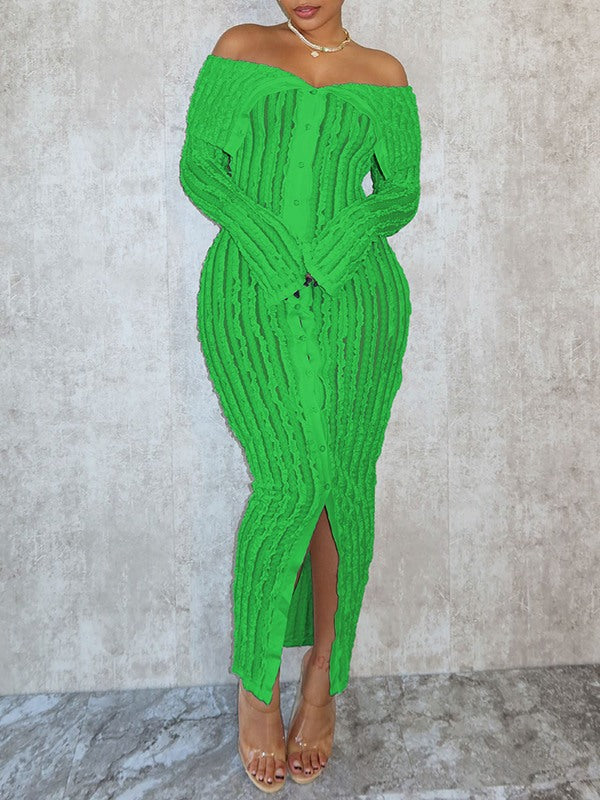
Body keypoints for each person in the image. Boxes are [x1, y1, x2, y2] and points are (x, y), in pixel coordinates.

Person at [179, 0, 422, 790]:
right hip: (252, 293)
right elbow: (201, 166)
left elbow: (399, 193)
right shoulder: (241, 46)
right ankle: (258, 689)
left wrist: (338, 247)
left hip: (358, 303)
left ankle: (322, 679)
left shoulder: (384, 72)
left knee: (342, 486)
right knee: (290, 484)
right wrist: (280, 254)